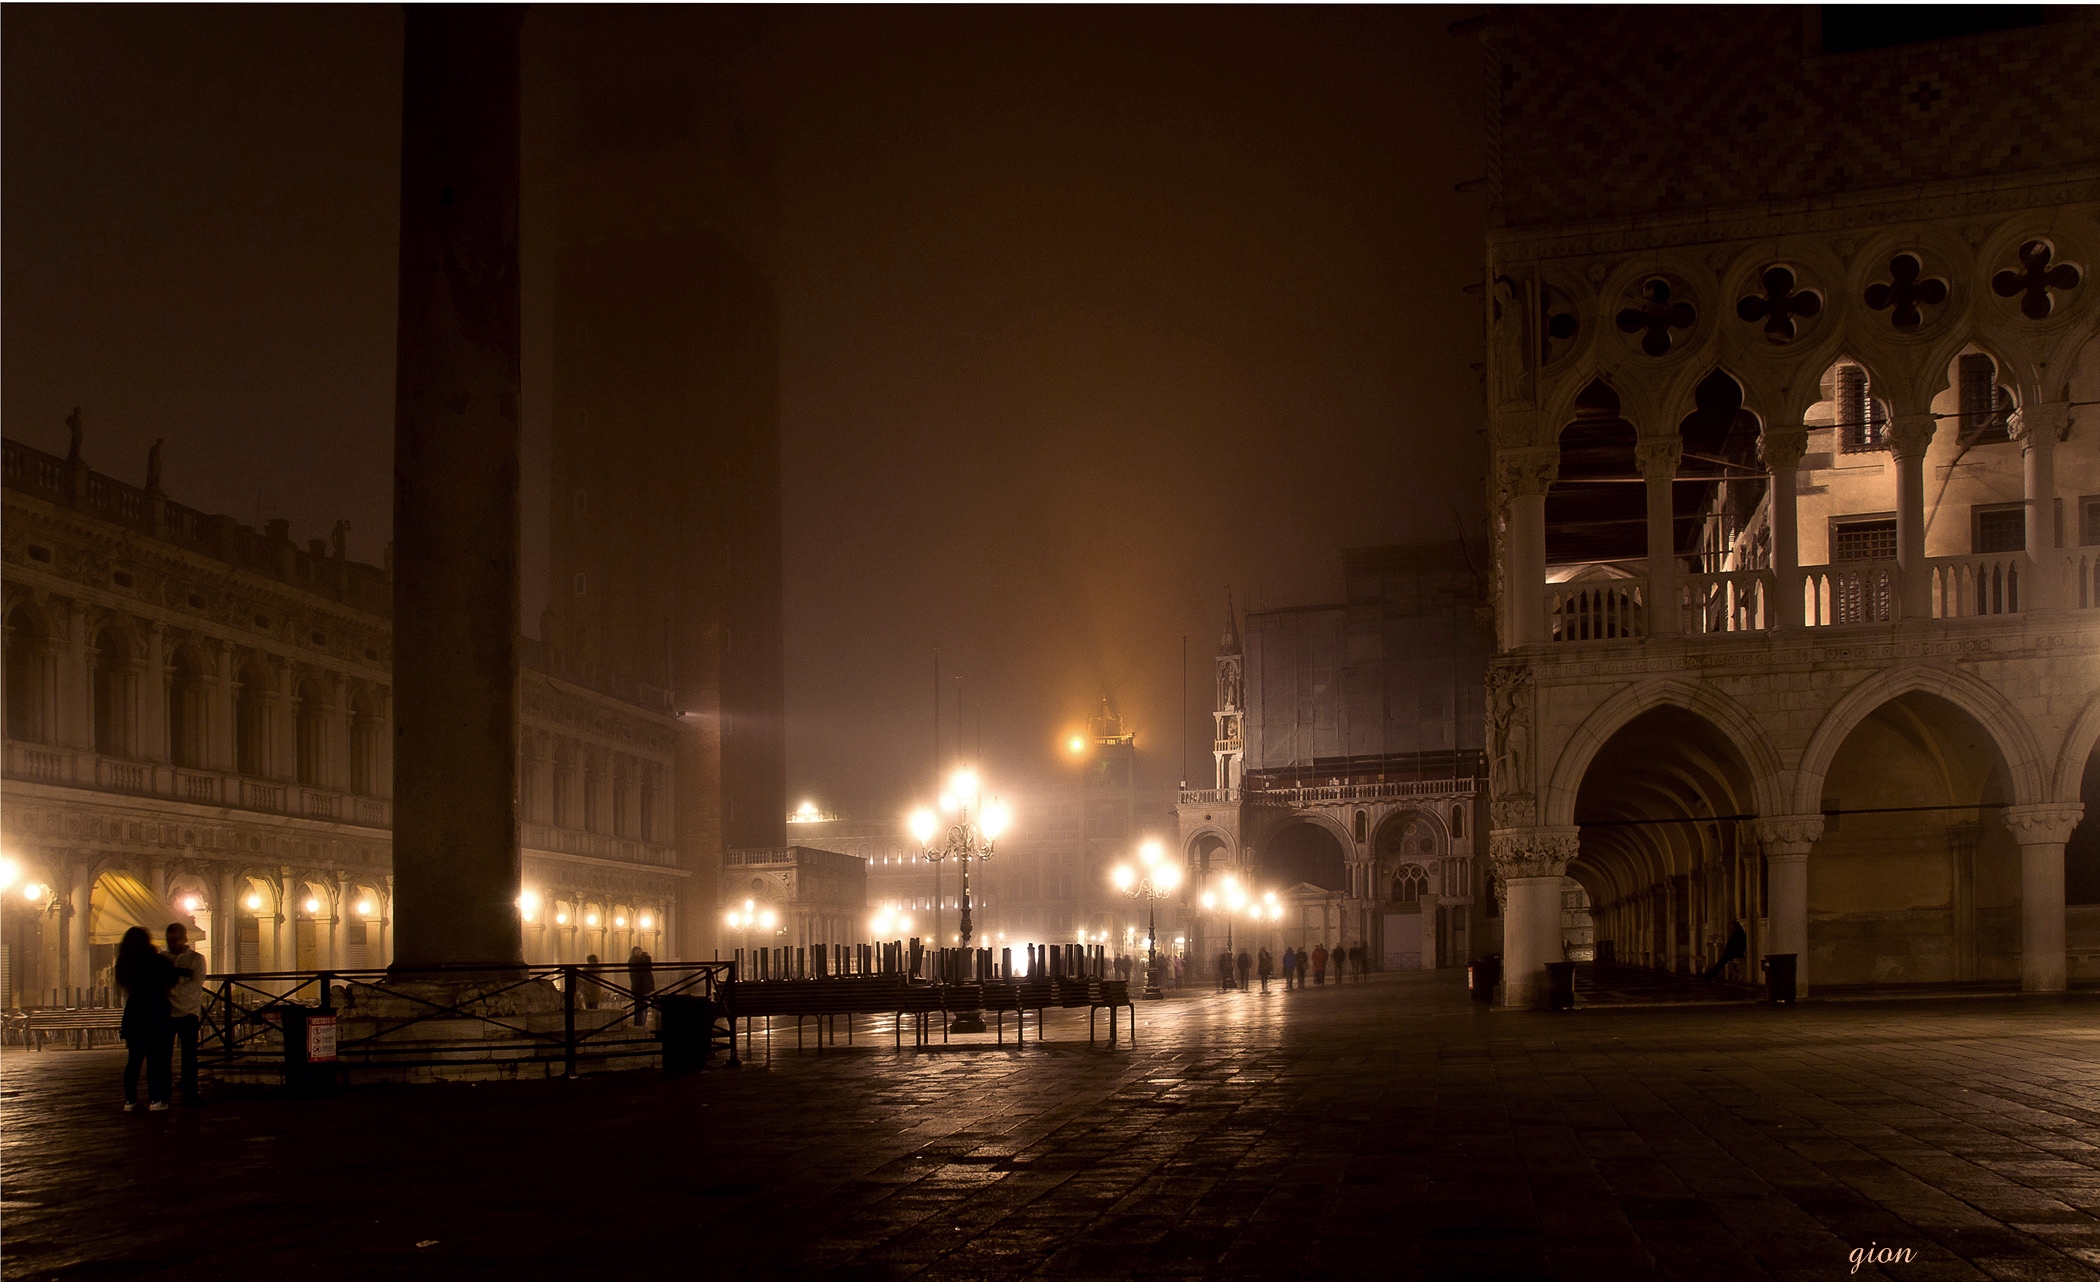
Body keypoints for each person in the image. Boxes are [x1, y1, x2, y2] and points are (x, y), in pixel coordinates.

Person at [114, 927, 175, 1112]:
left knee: (134, 1059)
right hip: (155, 1010)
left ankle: (130, 1100)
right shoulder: (156, 961)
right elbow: (171, 979)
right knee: (154, 1058)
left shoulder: (124, 963)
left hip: (134, 1011)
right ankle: (155, 1099)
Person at [165, 923, 208, 1106]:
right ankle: (164, 1093)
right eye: (169, 941)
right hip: (167, 1012)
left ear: (184, 939)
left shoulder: (196, 959)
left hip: (188, 1011)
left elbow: (195, 985)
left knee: (189, 1055)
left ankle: (191, 1092)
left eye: (175, 940)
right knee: (164, 1055)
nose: (172, 944)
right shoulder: (164, 958)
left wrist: (169, 990)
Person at [628, 944, 655, 1027]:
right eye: (638, 952)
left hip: (641, 987)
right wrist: (646, 958)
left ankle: (640, 1024)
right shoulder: (634, 960)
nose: (640, 953)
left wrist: (646, 958)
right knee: (641, 1008)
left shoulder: (638, 960)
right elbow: (645, 968)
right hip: (640, 987)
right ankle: (640, 1025)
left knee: (641, 1007)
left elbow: (648, 968)